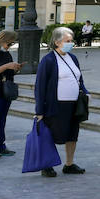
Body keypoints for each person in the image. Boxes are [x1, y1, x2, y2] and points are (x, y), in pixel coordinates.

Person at [34, 27, 89, 178]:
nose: (71, 44)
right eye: (68, 41)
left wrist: (85, 92)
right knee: (51, 135)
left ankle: (69, 164)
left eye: (71, 41)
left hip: (74, 105)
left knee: (72, 134)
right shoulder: (48, 60)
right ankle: (47, 165)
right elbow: (40, 86)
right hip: (56, 105)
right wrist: (39, 110)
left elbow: (79, 78)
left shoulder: (73, 58)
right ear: (57, 42)